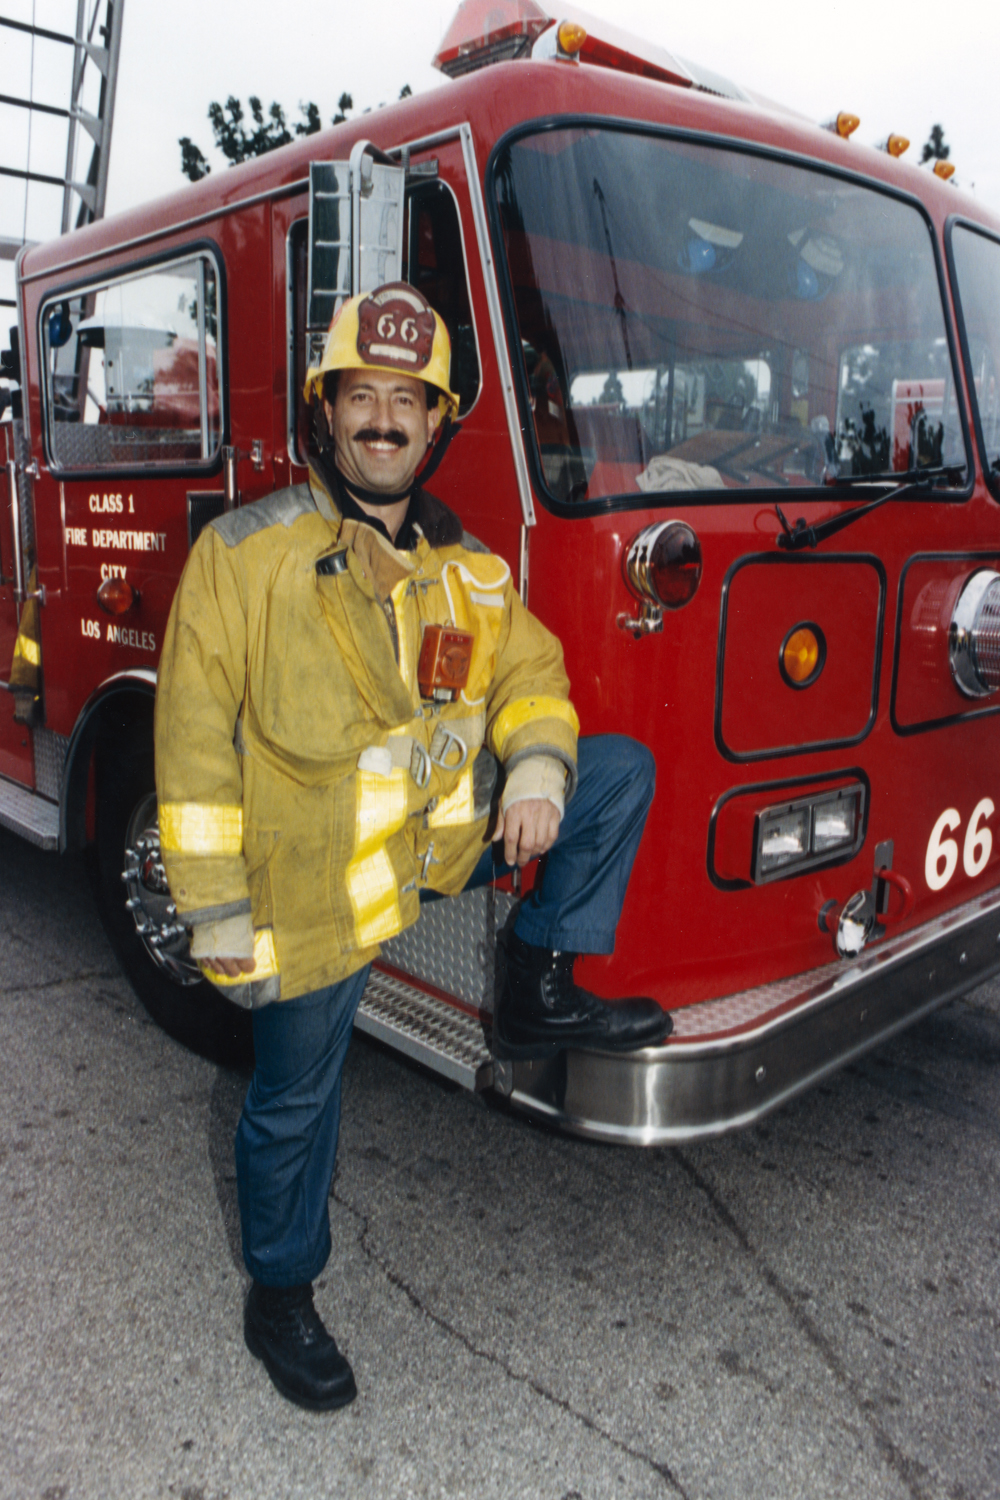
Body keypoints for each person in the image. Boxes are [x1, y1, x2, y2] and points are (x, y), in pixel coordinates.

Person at [154, 282, 670, 1412]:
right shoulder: (244, 558)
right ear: (326, 410)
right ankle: (280, 1293)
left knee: (613, 771)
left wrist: (534, 769)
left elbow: (531, 673)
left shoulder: (466, 566)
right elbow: (190, 748)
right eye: (363, 397)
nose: (383, 420)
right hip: (314, 893)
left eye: (408, 401)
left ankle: (534, 980)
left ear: (436, 424)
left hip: (432, 851)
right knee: (294, 1105)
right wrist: (217, 909)